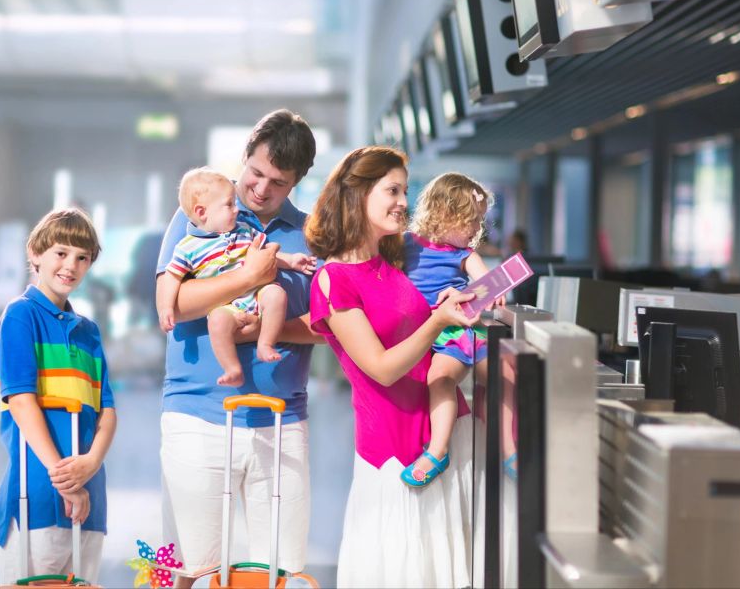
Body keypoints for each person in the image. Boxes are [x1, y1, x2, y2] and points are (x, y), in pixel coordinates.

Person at [155, 109, 320, 586]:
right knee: (184, 568)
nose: (262, 189)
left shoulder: (308, 236)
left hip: (282, 420)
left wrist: (263, 329)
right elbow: (175, 304)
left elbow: (327, 326)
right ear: (245, 156)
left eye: (279, 182)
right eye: (256, 172)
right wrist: (246, 278)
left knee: (282, 571)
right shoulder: (200, 212)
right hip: (196, 414)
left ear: (297, 182)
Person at [304, 146, 478, 587]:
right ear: (357, 194)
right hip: (391, 454)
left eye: (405, 189)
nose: (403, 200)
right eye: (392, 190)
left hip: (443, 440)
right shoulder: (333, 279)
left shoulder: (393, 264)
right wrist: (438, 320)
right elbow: (381, 368)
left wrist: (451, 308)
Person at [0, 208, 117, 585]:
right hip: (38, 493)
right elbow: (22, 402)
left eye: (82, 258)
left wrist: (91, 463)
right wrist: (68, 483)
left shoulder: (88, 331)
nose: (70, 265)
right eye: (61, 253)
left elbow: (106, 411)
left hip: (89, 498)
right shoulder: (20, 316)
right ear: (36, 254)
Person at [156, 168, 316, 386]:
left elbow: (267, 253)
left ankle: (265, 343)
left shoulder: (243, 231)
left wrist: (291, 260)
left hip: (257, 296)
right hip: (228, 306)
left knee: (277, 294)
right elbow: (173, 277)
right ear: (202, 212)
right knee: (217, 322)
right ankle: (232, 368)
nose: (236, 210)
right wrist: (166, 308)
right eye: (229, 205)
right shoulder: (187, 247)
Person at [402, 172, 499, 487]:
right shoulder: (404, 245)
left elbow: (494, 288)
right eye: (471, 222)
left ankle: (437, 451)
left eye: (479, 223)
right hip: (418, 333)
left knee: (440, 379)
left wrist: (467, 296)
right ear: (444, 214)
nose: (476, 231)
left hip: (451, 335)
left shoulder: (465, 255)